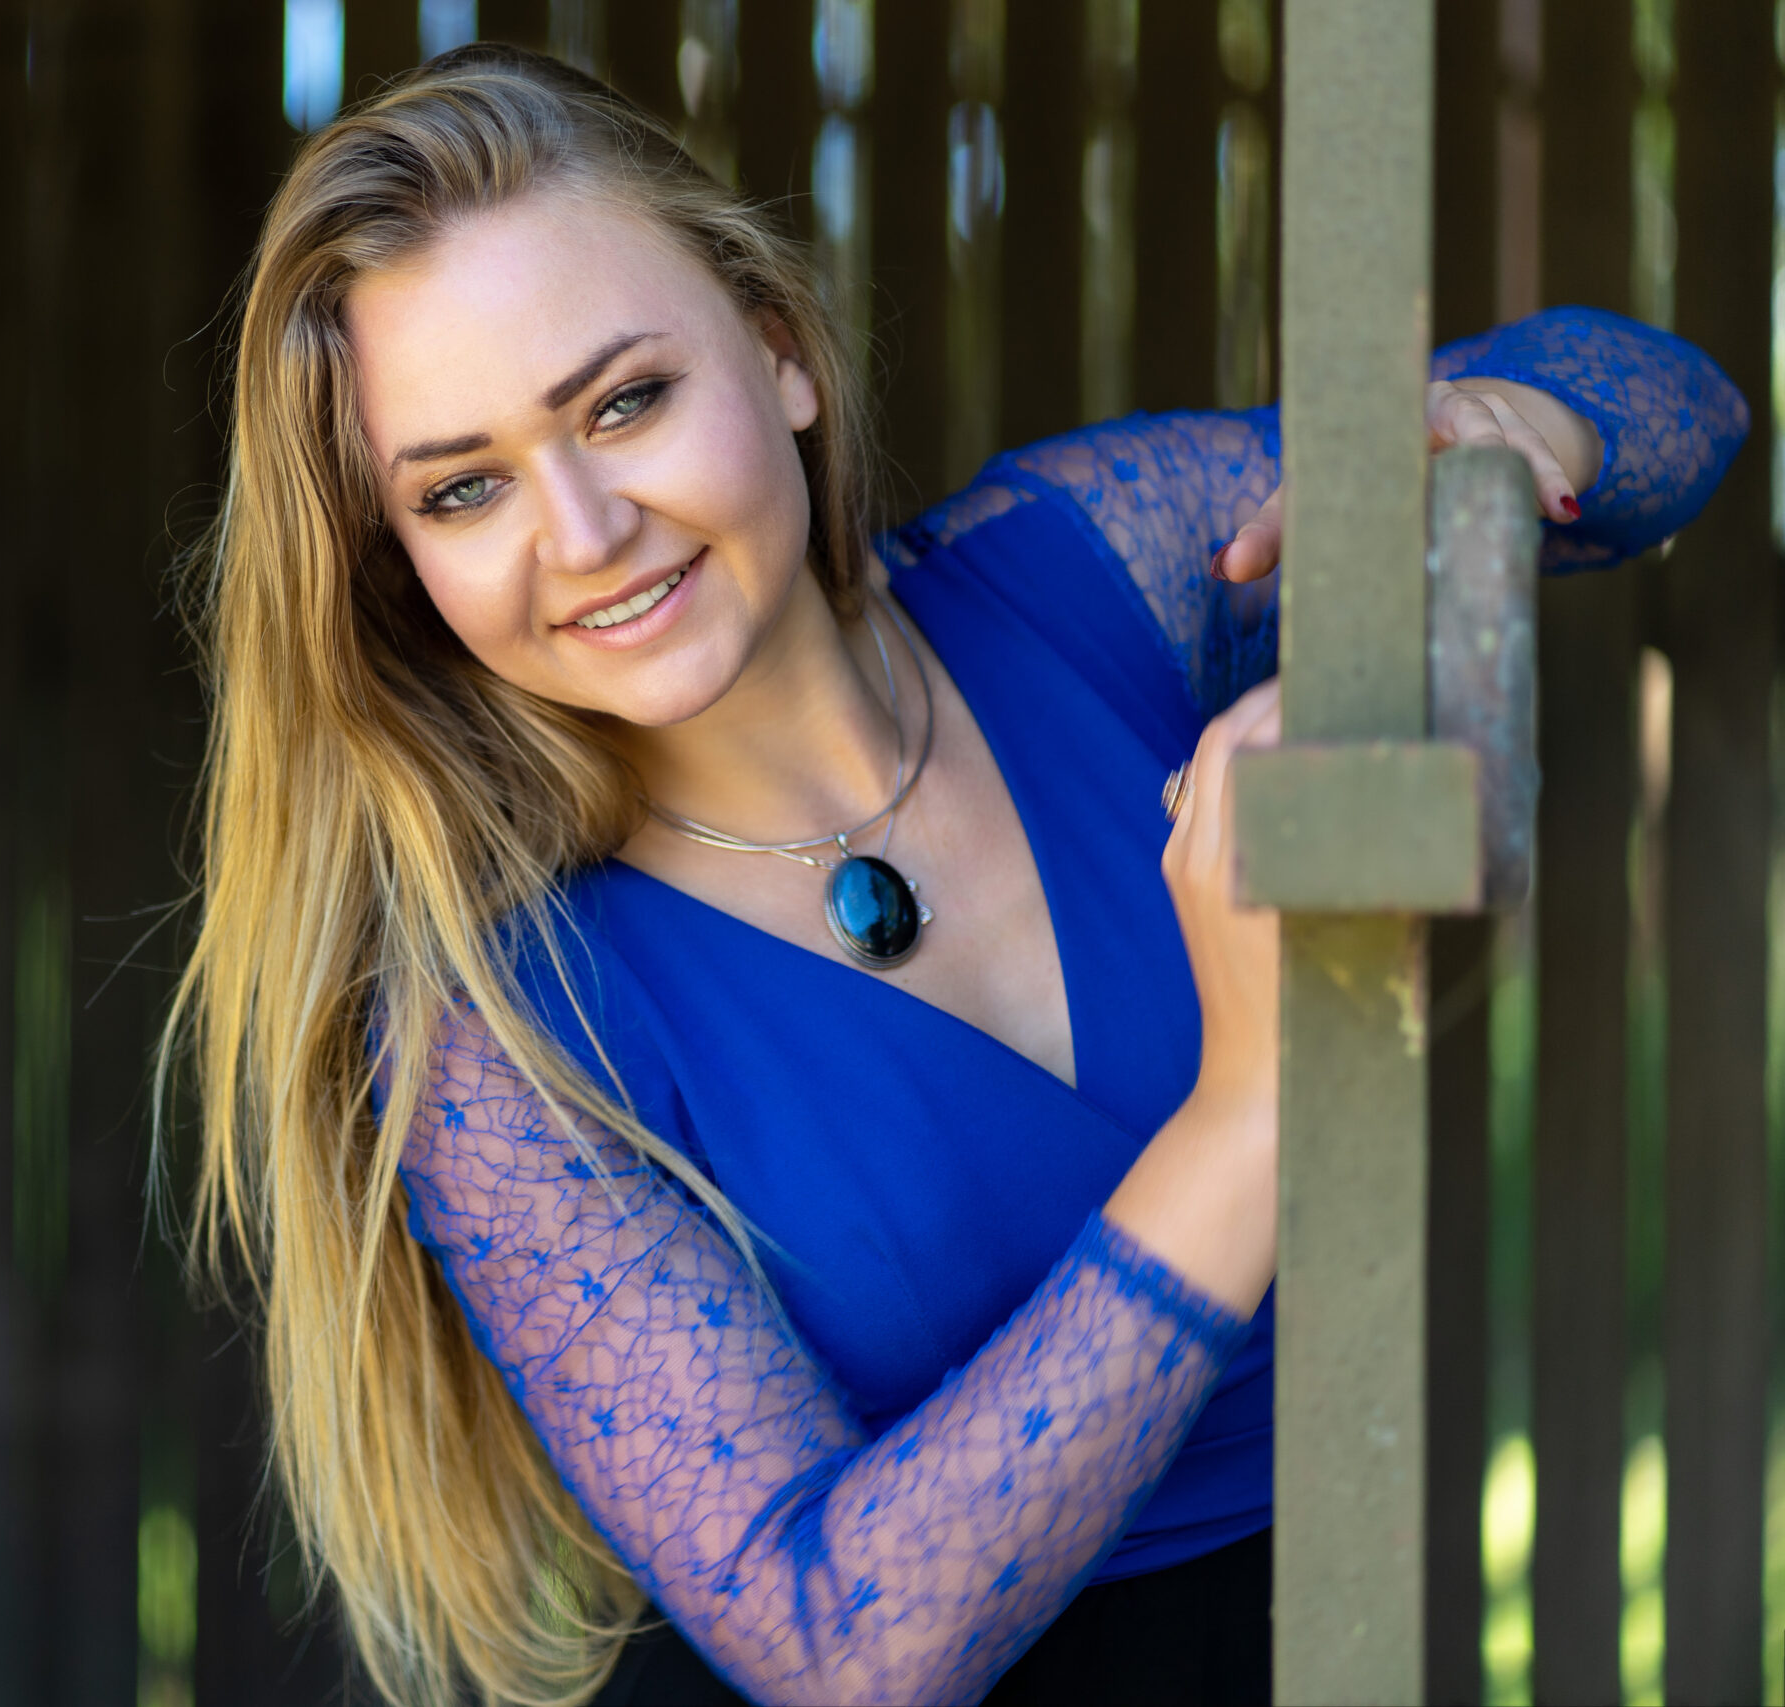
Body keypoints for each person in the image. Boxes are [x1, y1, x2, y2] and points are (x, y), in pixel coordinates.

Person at [159, 42, 1746, 1707]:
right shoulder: (499, 1021)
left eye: (625, 401)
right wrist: (1262, 1103)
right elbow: (846, 1645)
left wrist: (1505, 429)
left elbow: (1675, 402)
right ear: (402, 560)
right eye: (466, 487)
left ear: (779, 357)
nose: (582, 531)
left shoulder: (1092, 566)